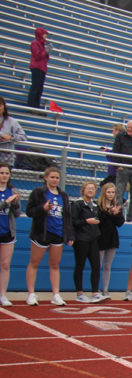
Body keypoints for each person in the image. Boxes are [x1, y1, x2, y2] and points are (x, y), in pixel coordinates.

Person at [25, 166, 73, 306]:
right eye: (52, 177)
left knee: (55, 264)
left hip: (58, 233)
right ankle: (31, 293)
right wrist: (43, 209)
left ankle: (56, 294)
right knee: (34, 262)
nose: (54, 180)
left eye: (57, 177)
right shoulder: (38, 193)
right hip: (42, 232)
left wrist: (69, 234)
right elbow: (29, 211)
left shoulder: (63, 195)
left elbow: (67, 216)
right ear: (46, 177)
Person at [70, 181, 104, 303]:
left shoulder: (95, 206)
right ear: (83, 190)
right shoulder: (77, 204)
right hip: (81, 239)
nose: (90, 191)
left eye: (93, 189)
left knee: (96, 265)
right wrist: (86, 221)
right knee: (80, 265)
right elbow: (73, 222)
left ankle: (95, 292)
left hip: (93, 239)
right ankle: (79, 293)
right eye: (88, 188)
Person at [96, 182, 123, 299]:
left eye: (113, 192)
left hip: (112, 238)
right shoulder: (98, 206)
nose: (111, 194)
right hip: (100, 238)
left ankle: (105, 289)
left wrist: (115, 213)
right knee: (98, 264)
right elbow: (99, 220)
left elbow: (120, 222)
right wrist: (109, 212)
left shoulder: (116, 206)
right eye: (109, 192)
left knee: (108, 265)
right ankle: (95, 289)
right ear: (104, 193)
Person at [0, 164, 21, 306]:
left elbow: (18, 213)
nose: (4, 175)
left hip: (8, 231)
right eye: (1, 173)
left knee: (6, 264)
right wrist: (4, 203)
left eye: (6, 173)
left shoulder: (12, 190)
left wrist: (13, 204)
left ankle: (2, 294)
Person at [0, 97, 28, 167]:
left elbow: (23, 137)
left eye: (0, 105)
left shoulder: (12, 121)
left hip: (6, 159)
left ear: (4, 107)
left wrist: (11, 137)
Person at [27, 28, 50, 110]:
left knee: (40, 89)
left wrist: (47, 52)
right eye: (44, 34)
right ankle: (31, 106)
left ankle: (36, 106)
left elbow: (44, 58)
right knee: (35, 87)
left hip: (42, 68)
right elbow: (37, 56)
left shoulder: (43, 44)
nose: (46, 36)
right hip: (36, 67)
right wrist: (45, 51)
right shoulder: (35, 43)